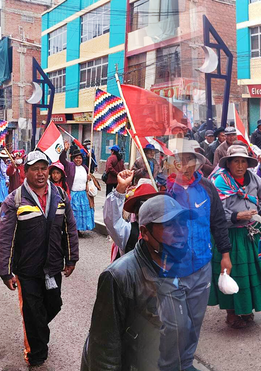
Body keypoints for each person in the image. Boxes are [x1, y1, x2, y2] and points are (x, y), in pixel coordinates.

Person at [81, 195, 199, 371]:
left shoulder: (186, 265)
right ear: (144, 233)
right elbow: (104, 350)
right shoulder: (118, 276)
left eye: (182, 224)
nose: (181, 232)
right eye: (169, 226)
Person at [0, 150, 79, 368]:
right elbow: (5, 238)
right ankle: (36, 354)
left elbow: (70, 228)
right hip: (27, 269)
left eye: (44, 169)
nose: (41, 174)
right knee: (32, 310)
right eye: (35, 169)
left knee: (54, 305)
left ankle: (37, 331)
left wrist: (71, 259)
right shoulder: (14, 199)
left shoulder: (60, 196)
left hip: (52, 265)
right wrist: (5, 270)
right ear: (26, 172)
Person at [161, 138, 232, 370]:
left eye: (189, 158)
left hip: (202, 266)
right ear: (172, 162)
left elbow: (219, 222)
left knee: (194, 322)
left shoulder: (207, 187)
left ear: (196, 162)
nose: (184, 164)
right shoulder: (163, 190)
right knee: (173, 325)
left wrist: (225, 254)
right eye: (179, 159)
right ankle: (169, 365)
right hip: (170, 269)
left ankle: (186, 362)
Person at [209, 145, 261, 328]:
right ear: (228, 163)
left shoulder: (254, 179)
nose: (240, 165)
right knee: (234, 273)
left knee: (251, 274)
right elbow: (213, 211)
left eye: (243, 161)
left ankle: (246, 308)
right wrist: (235, 216)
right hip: (230, 235)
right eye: (236, 161)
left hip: (252, 233)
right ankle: (231, 312)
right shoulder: (219, 183)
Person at [104, 169, 163, 259]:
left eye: (152, 202)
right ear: (136, 210)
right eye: (143, 203)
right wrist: (121, 187)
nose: (148, 207)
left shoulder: (166, 229)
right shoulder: (129, 232)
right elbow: (112, 220)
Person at [61, 145, 97, 233]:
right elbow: (62, 160)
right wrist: (64, 150)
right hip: (73, 194)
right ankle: (74, 230)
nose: (78, 160)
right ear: (73, 159)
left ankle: (79, 229)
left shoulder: (85, 168)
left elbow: (93, 165)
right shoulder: (70, 166)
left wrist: (90, 156)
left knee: (82, 214)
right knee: (74, 214)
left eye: (80, 158)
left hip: (83, 195)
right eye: (76, 158)